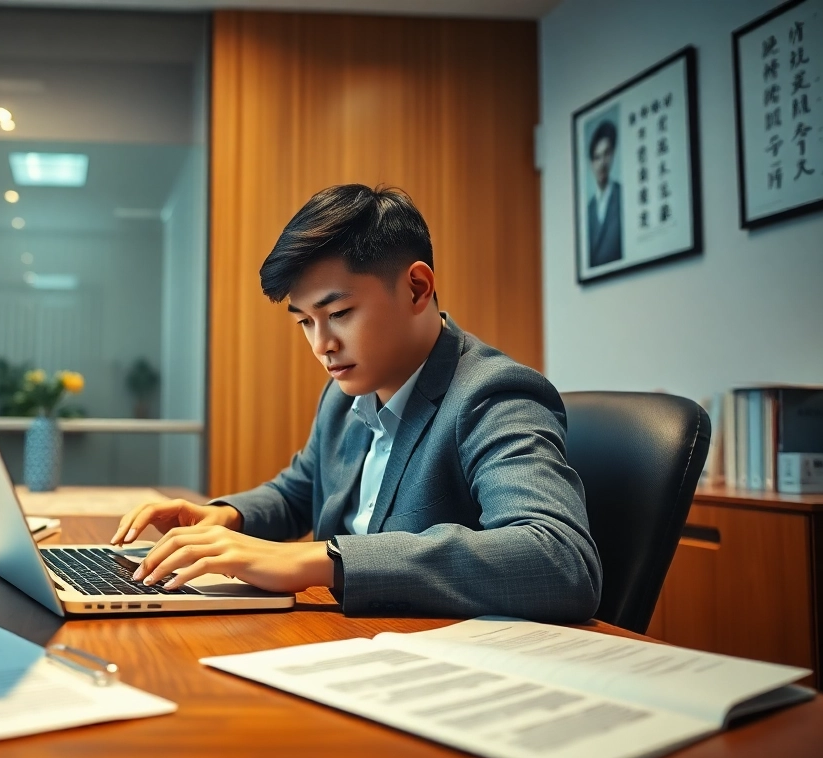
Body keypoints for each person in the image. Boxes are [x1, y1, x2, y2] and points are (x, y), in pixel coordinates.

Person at [111, 184, 602, 622]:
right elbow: (300, 491)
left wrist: (318, 560)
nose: (321, 345)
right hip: (337, 635)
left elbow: (560, 559)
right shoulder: (344, 393)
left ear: (417, 288)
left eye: (339, 313)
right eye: (304, 321)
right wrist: (227, 517)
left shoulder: (493, 395)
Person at [587, 119, 623, 268]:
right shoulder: (589, 209)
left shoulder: (622, 196)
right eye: (597, 157)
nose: (602, 163)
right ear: (591, 163)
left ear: (613, 155)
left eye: (606, 154)